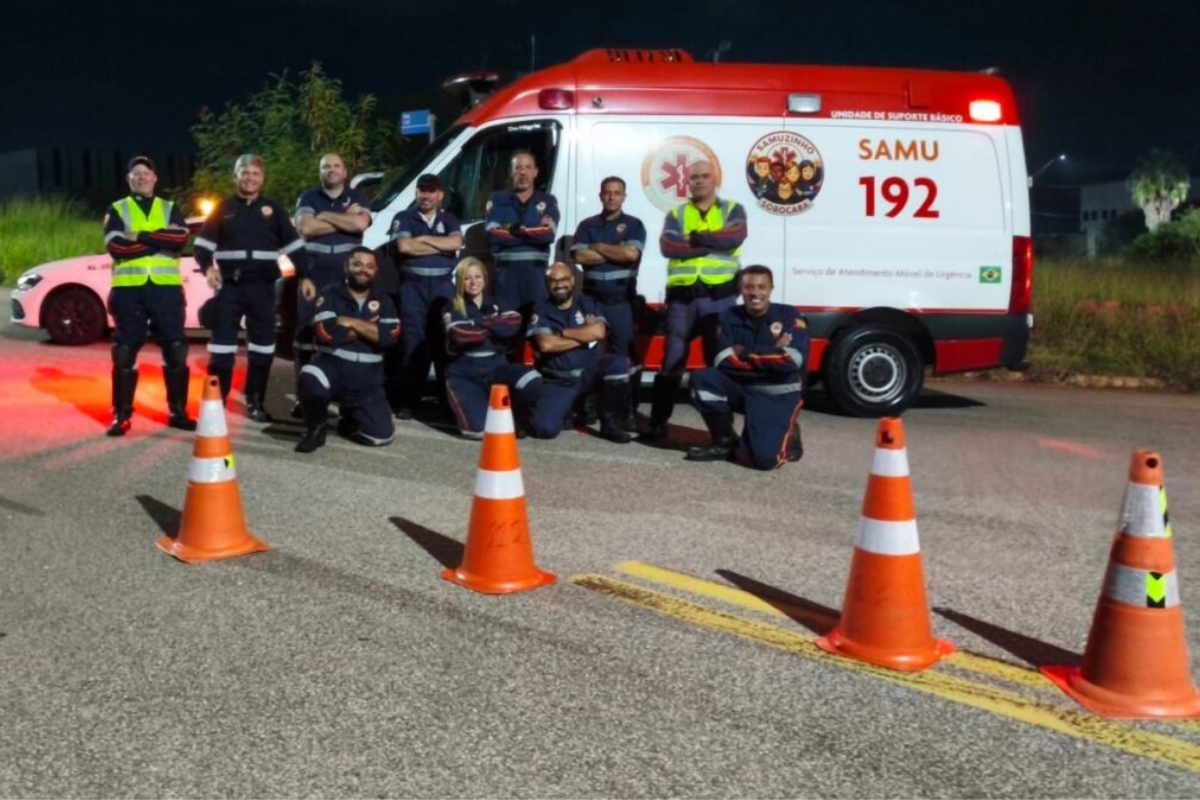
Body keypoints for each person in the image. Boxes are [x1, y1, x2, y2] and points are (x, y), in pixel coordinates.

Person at [194, 154, 310, 421]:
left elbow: (295, 247)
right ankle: (216, 403)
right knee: (221, 350)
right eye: (244, 173)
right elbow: (202, 246)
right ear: (235, 177)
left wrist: (306, 276)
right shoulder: (222, 208)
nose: (250, 178)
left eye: (255, 174)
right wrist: (208, 268)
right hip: (230, 289)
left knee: (263, 349)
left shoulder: (273, 210)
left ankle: (255, 402)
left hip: (262, 289)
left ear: (262, 178)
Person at [644, 159, 748, 441]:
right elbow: (669, 246)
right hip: (683, 303)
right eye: (694, 177)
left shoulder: (732, 209)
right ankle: (657, 424)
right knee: (671, 362)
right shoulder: (677, 214)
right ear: (688, 182)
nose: (699, 181)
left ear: (715, 180)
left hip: (719, 300)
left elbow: (735, 236)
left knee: (720, 364)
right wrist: (712, 242)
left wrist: (696, 238)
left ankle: (722, 432)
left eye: (704, 176)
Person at [102, 155, 196, 436]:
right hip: (129, 290)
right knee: (123, 352)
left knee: (176, 349)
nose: (141, 176)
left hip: (165, 290)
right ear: (129, 179)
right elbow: (117, 247)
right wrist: (159, 241)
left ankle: (178, 412)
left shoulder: (169, 208)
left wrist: (139, 235)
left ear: (155, 178)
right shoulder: (117, 208)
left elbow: (180, 239)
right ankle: (121, 415)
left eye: (146, 172)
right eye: (136, 173)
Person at [687, 265, 808, 469]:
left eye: (761, 287)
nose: (755, 293)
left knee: (764, 461)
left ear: (771, 289)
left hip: (776, 394)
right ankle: (724, 444)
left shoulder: (789, 315)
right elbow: (722, 361)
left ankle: (789, 434)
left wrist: (743, 352)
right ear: (741, 289)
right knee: (703, 379)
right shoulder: (729, 316)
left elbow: (791, 360)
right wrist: (773, 351)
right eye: (749, 287)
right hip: (743, 388)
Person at [294, 247, 401, 453]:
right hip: (333, 369)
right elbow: (325, 333)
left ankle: (350, 419)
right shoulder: (330, 293)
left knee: (380, 437)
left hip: (368, 383)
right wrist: (371, 329)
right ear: (346, 267)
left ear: (376, 271)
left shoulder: (384, 299)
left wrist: (349, 322)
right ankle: (316, 429)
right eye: (357, 264)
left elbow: (391, 338)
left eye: (369, 266)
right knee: (309, 377)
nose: (363, 270)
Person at [292, 153, 372, 415]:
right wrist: (341, 218)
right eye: (325, 166)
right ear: (320, 172)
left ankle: (343, 397)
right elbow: (305, 228)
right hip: (313, 278)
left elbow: (359, 223)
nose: (331, 170)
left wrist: (324, 215)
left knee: (345, 334)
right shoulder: (308, 197)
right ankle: (304, 397)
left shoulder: (358, 196)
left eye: (336, 165)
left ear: (345, 172)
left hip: (345, 280)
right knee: (306, 336)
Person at [569, 176, 646, 428]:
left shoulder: (634, 225)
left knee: (625, 357)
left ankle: (627, 411)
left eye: (617, 192)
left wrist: (598, 246)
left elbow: (631, 254)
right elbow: (580, 256)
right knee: (592, 354)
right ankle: (588, 408)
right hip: (592, 301)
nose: (612, 196)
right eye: (607, 192)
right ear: (601, 196)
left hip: (621, 302)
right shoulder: (587, 224)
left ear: (624, 196)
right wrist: (616, 250)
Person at [527, 262, 631, 443]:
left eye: (564, 279)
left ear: (573, 280)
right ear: (546, 283)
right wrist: (584, 334)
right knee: (544, 429)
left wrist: (561, 333)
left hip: (590, 375)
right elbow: (546, 345)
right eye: (553, 280)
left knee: (618, 363)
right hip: (560, 381)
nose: (559, 284)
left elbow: (599, 332)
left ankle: (609, 424)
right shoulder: (540, 309)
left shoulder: (587, 303)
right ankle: (563, 408)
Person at [388, 173, 463, 419]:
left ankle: (447, 403)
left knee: (444, 343)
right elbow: (405, 247)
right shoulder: (404, 217)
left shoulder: (449, 219)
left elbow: (456, 243)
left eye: (431, 191)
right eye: (422, 190)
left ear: (440, 195)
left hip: (442, 288)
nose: (426, 195)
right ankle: (409, 402)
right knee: (412, 344)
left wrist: (423, 239)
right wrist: (440, 243)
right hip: (413, 287)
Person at [442, 257, 542, 438]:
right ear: (460, 281)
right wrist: (494, 324)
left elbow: (513, 324)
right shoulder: (451, 306)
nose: (473, 282)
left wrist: (476, 323)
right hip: (464, 373)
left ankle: (514, 414)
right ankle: (476, 405)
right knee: (478, 432)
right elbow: (461, 335)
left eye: (477, 277)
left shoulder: (498, 301)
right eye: (467, 278)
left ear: (485, 278)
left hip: (497, 367)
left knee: (532, 380)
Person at [484, 150, 560, 319]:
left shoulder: (548, 201)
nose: (523, 172)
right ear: (511, 172)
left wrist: (512, 229)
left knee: (537, 328)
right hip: (506, 280)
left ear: (535, 172)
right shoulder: (497, 199)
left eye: (527, 167)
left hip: (537, 279)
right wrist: (534, 230)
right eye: (518, 167)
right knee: (506, 329)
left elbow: (548, 234)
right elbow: (492, 235)